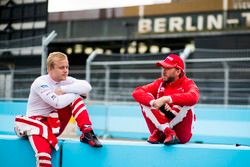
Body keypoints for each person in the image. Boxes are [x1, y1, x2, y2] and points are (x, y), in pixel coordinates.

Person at [15, 52, 102, 167]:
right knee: (44, 156)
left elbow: (87, 86)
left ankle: (87, 133)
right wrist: (77, 94)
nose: (66, 70)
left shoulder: (65, 80)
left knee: (75, 100)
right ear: (50, 69)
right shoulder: (40, 82)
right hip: (37, 126)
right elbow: (56, 103)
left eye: (67, 67)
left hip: (54, 125)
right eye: (61, 67)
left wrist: (64, 89)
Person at [132, 54, 199, 145]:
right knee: (146, 100)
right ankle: (167, 131)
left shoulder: (188, 83)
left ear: (178, 71)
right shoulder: (160, 82)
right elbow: (137, 92)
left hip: (181, 134)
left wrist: (167, 99)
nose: (163, 71)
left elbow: (194, 97)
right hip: (163, 132)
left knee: (185, 101)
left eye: (167, 68)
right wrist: (154, 103)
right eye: (163, 68)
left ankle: (164, 131)